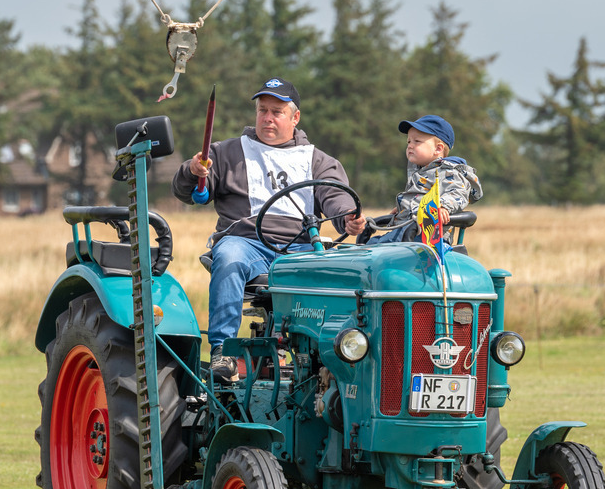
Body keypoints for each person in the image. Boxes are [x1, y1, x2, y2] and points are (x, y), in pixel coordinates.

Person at [172, 77, 366, 379]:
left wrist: (348, 217)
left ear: (295, 117)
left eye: (277, 112)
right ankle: (223, 351)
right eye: (262, 110)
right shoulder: (226, 153)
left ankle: (332, 359)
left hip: (300, 246)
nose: (267, 118)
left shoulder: (317, 160)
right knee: (229, 256)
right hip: (246, 241)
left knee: (342, 272)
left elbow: (336, 197)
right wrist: (192, 171)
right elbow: (193, 189)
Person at [367, 114, 482, 244]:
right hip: (408, 233)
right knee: (369, 244)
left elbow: (458, 193)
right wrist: (403, 211)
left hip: (429, 238)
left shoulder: (449, 172)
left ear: (438, 148)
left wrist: (443, 206)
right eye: (409, 142)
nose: (410, 145)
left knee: (373, 246)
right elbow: (418, 199)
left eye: (417, 141)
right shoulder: (419, 173)